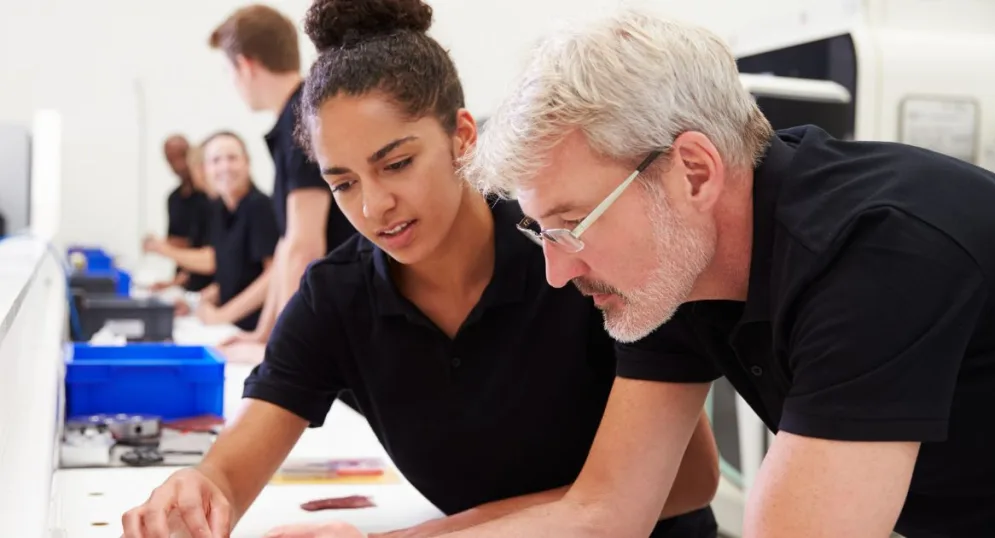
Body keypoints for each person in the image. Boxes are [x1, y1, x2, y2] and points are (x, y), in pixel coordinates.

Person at [120, 2, 722, 537]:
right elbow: (229, 468)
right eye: (344, 183)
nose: (373, 207)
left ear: (463, 136)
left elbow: (691, 480)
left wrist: (444, 531)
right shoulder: (337, 296)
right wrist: (199, 493)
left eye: (398, 163)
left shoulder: (571, 253)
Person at [443, 9, 995, 538]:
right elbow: (606, 511)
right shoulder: (675, 265)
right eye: (540, 230)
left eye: (572, 223)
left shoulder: (876, 255)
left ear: (694, 172)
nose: (555, 271)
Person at [207, 4, 358, 346]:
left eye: (228, 72)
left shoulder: (303, 117)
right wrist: (263, 336)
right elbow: (287, 244)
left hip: (347, 313)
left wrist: (282, 353)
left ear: (245, 66)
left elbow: (305, 247)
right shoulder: (295, 115)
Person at [144, 132, 278, 331]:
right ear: (205, 169)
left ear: (247, 163)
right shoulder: (220, 211)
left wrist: (223, 315)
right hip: (230, 326)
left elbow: (274, 277)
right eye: (216, 160)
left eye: (232, 158)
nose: (225, 166)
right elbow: (233, 277)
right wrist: (194, 302)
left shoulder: (259, 207)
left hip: (255, 329)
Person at [150, 134, 215, 292]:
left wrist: (164, 248)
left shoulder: (212, 203)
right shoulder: (173, 199)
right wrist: (174, 283)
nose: (179, 165)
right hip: (193, 287)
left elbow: (213, 259)